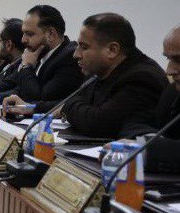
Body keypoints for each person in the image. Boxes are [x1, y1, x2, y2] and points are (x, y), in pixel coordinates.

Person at [61, 13, 167, 138]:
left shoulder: (142, 78)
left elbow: (98, 124)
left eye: (84, 47)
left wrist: (67, 106)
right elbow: (79, 103)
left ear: (112, 50)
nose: (76, 54)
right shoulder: (97, 71)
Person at [0, 5, 85, 114]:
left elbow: (38, 98)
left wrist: (26, 66)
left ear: (51, 34)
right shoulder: (39, 53)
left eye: (29, 34)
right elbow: (20, 89)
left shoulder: (69, 57)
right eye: (23, 33)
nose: (23, 40)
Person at [120, 25, 180, 173]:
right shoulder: (173, 93)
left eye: (179, 59)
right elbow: (134, 123)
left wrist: (146, 148)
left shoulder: (144, 74)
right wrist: (150, 139)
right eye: (169, 58)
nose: (169, 70)